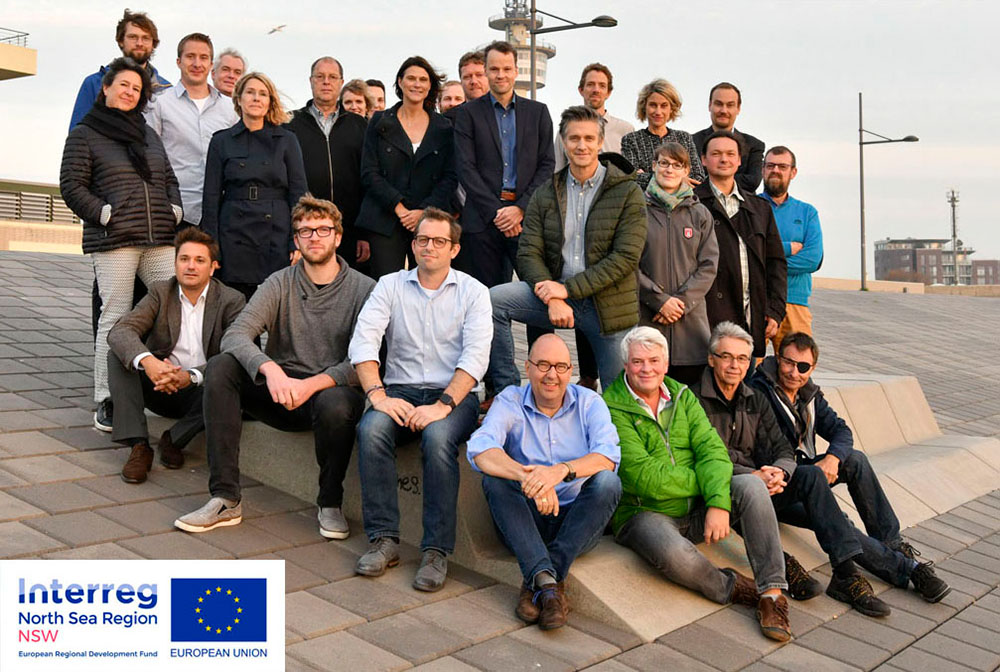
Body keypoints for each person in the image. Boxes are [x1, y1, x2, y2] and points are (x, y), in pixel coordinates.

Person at [175, 196, 375, 538]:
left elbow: (364, 362)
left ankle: (330, 502)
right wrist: (271, 369)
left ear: (338, 237)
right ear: (296, 240)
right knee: (222, 366)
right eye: (305, 231)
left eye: (323, 229)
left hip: (328, 398)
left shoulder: (365, 289)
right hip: (280, 391)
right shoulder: (279, 282)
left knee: (337, 401)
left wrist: (311, 385)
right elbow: (236, 335)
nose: (314, 237)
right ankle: (225, 498)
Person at [693, 322, 895, 617]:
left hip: (776, 480)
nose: (794, 372)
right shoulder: (709, 398)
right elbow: (708, 457)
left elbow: (790, 447)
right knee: (831, 514)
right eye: (726, 356)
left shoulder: (764, 397)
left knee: (851, 462)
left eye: (741, 359)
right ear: (712, 359)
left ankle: (872, 557)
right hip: (736, 486)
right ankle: (886, 569)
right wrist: (756, 475)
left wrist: (786, 470)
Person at [605, 327, 791, 642]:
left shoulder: (682, 395)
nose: (646, 368)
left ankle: (772, 596)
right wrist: (710, 488)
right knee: (676, 555)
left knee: (752, 486)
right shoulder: (610, 406)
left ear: (665, 364)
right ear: (626, 365)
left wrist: (718, 502)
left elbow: (713, 452)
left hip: (698, 509)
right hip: (644, 513)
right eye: (638, 361)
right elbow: (647, 477)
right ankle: (731, 586)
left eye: (654, 360)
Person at [349, 208, 491, 592]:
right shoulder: (390, 285)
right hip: (400, 390)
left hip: (453, 396)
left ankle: (435, 551)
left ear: (454, 249)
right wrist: (377, 396)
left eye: (439, 241)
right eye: (423, 240)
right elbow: (363, 342)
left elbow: (476, 358)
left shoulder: (475, 293)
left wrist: (443, 405)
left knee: (438, 437)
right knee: (372, 429)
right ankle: (384, 540)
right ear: (413, 245)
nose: (430, 247)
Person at [751, 333, 951, 603]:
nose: (793, 372)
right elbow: (770, 452)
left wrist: (833, 457)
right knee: (839, 524)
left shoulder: (808, 394)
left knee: (853, 459)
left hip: (806, 476)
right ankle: (907, 571)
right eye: (788, 362)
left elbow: (841, 430)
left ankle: (890, 543)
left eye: (802, 367)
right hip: (776, 486)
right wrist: (811, 474)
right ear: (778, 359)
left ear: (812, 369)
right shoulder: (760, 390)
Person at [60, 57, 183, 434]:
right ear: (106, 89)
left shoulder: (146, 132)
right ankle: (106, 398)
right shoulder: (85, 132)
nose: (130, 92)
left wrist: (174, 209)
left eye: (137, 88)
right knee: (114, 315)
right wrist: (104, 214)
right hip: (115, 240)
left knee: (171, 308)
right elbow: (71, 185)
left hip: (159, 236)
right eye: (124, 85)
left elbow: (168, 176)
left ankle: (164, 386)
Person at [487, 106, 647, 394]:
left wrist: (568, 290)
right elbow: (528, 252)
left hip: (606, 306)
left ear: (600, 142)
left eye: (588, 138)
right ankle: (507, 393)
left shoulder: (627, 191)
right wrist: (551, 294)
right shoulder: (546, 192)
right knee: (492, 301)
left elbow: (625, 258)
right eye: (574, 138)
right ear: (563, 141)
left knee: (618, 398)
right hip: (555, 294)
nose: (581, 145)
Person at [468, 333, 621, 630]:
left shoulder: (590, 403)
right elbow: (480, 450)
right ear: (527, 368)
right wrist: (531, 477)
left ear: (570, 371)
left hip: (576, 522)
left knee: (607, 483)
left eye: (561, 367)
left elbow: (608, 457)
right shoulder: (509, 400)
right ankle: (550, 586)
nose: (552, 374)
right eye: (543, 365)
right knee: (495, 481)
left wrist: (559, 471)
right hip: (526, 518)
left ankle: (539, 578)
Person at [107, 228, 245, 483]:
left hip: (201, 392)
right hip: (159, 384)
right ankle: (139, 447)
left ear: (213, 267)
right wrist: (150, 363)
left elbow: (236, 353)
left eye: (199, 260)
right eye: (184, 259)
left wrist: (190, 377)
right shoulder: (161, 292)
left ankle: (175, 438)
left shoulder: (231, 301)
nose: (190, 266)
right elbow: (121, 331)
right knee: (117, 356)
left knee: (234, 376)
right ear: (175, 264)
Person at [453, 40, 555, 289]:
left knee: (538, 292)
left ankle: (543, 332)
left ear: (516, 71)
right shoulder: (468, 114)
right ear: (487, 71)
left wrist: (519, 209)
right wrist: (497, 213)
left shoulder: (538, 112)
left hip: (527, 218)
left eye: (507, 69)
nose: (501, 75)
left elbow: (547, 165)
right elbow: (466, 167)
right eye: (495, 69)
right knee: (486, 300)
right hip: (482, 220)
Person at [201, 71, 308, 301]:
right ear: (238, 98)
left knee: (277, 304)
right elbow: (210, 197)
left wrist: (297, 239)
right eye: (250, 92)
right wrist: (211, 246)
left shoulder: (287, 140)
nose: (256, 98)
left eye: (263, 94)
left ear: (270, 101)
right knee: (236, 308)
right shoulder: (221, 141)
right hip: (233, 233)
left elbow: (299, 194)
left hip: (276, 232)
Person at [356, 56, 457, 278]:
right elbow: (369, 173)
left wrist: (423, 212)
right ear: (400, 82)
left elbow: (450, 176)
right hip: (385, 219)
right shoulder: (380, 121)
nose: (417, 84)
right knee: (384, 286)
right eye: (411, 78)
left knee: (429, 285)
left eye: (423, 79)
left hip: (429, 222)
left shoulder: (444, 127)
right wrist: (400, 209)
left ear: (430, 85)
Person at [696, 131, 786, 363]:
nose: (723, 159)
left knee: (745, 390)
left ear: (739, 161)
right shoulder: (691, 203)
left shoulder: (759, 208)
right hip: (705, 320)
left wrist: (775, 310)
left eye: (730, 154)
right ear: (704, 159)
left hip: (749, 317)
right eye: (716, 154)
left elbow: (776, 263)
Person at [637, 143, 717, 386]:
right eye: (664, 163)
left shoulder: (700, 214)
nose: (669, 169)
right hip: (649, 323)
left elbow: (708, 265)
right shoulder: (636, 210)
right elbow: (628, 264)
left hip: (690, 331)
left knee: (688, 406)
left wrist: (680, 304)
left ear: (686, 171)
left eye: (677, 165)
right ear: (653, 166)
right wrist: (660, 301)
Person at [145, 33, 238, 230]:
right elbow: (149, 158)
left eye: (203, 58)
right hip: (175, 212)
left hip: (221, 214)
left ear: (211, 64)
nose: (197, 63)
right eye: (190, 56)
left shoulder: (231, 109)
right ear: (178, 62)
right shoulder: (159, 104)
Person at [285, 57, 370, 270]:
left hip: (350, 230)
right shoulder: (290, 125)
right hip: (307, 231)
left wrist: (364, 233)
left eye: (332, 77)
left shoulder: (359, 126)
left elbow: (368, 181)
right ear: (310, 81)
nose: (326, 82)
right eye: (320, 77)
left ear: (341, 83)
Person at [758, 146, 823, 349]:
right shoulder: (749, 207)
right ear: (763, 169)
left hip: (795, 303)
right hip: (757, 300)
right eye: (770, 166)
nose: (776, 170)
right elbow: (744, 253)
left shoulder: (807, 212)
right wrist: (785, 248)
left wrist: (766, 260)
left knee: (797, 368)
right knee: (748, 369)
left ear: (793, 172)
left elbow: (812, 258)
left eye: (782, 166)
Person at [69, 9, 171, 131]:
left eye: (146, 38)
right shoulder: (95, 83)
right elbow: (77, 133)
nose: (139, 43)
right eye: (133, 37)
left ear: (153, 44)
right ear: (121, 41)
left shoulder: (166, 90)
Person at [621, 79, 704, 190]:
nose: (658, 112)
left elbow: (698, 177)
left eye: (664, 106)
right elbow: (630, 177)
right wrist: (680, 178)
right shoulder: (631, 140)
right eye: (653, 105)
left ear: (671, 108)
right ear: (644, 107)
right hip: (645, 204)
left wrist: (649, 176)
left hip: (681, 204)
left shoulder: (684, 138)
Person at [553, 63, 634, 171]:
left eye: (602, 85)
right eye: (590, 84)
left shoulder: (626, 130)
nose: (596, 90)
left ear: (608, 93)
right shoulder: (565, 131)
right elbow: (557, 172)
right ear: (581, 90)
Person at [693, 83, 766, 193]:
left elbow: (752, 181)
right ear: (709, 106)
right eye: (718, 104)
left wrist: (713, 177)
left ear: (738, 108)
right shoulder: (691, 142)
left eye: (730, 105)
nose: (723, 110)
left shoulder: (754, 145)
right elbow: (689, 180)